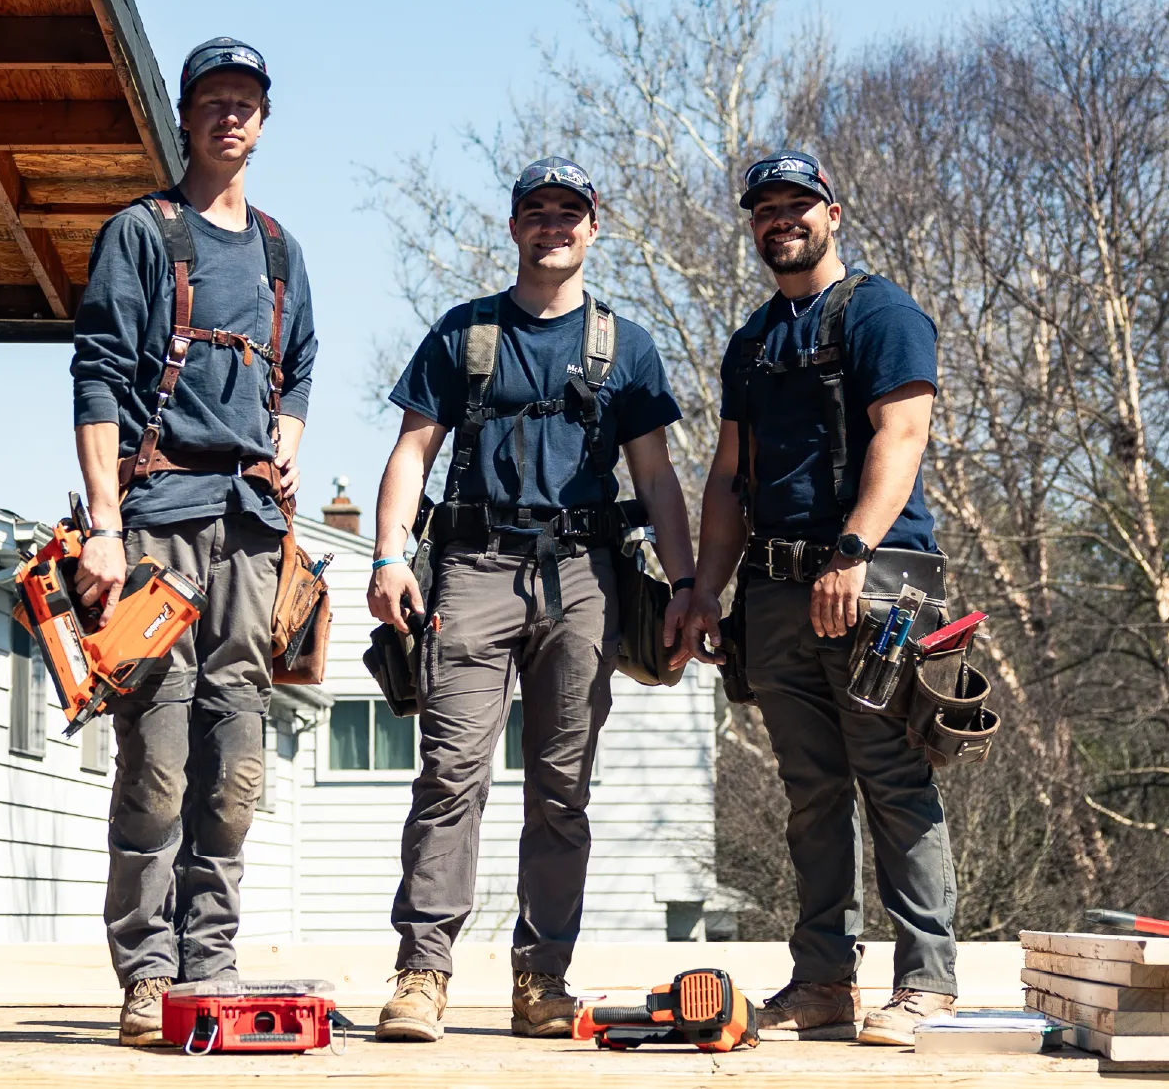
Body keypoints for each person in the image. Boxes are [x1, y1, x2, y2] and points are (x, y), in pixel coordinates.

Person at [367, 157, 696, 1042]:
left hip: (584, 578)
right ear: (513, 227)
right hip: (471, 567)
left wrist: (688, 587)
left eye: (569, 213)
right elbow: (411, 452)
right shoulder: (464, 333)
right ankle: (421, 974)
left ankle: (541, 979)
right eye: (536, 212)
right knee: (449, 776)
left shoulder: (624, 345)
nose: (553, 225)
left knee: (561, 790)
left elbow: (657, 478)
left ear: (595, 227)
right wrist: (390, 555)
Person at [71, 37, 317, 1046]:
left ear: (264, 120)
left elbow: (297, 370)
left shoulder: (278, 250)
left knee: (237, 760)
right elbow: (96, 376)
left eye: (245, 101)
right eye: (212, 100)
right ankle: (146, 970)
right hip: (157, 526)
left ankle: (208, 962)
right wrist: (100, 526)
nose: (230, 115)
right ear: (186, 116)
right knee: (159, 754)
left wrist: (287, 448)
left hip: (252, 534)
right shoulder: (142, 232)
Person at [683, 150, 958, 1046]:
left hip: (875, 583)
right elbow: (729, 476)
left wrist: (851, 551)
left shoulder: (880, 311)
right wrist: (703, 590)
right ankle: (822, 982)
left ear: (831, 213)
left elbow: (902, 430)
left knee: (892, 777)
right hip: (772, 590)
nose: (780, 220)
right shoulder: (752, 340)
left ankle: (925, 984)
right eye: (764, 209)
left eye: (796, 205)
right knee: (810, 792)